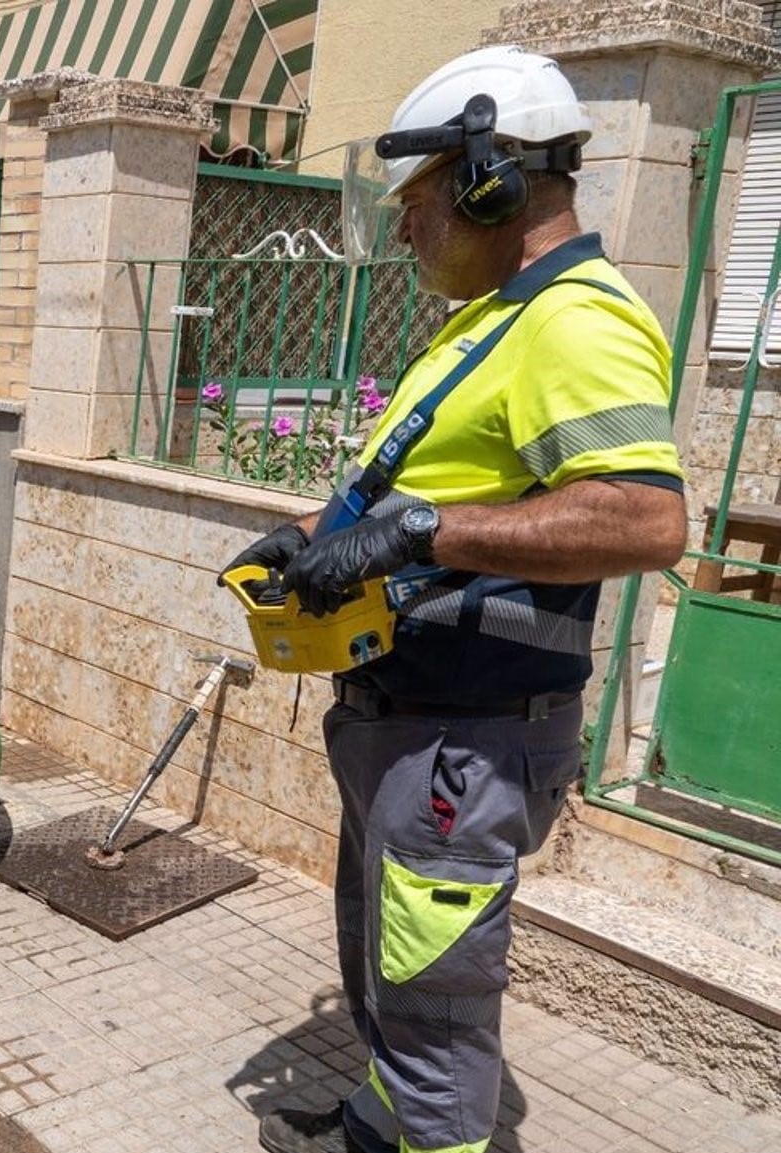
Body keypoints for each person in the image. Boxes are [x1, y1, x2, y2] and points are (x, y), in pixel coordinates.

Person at [228, 47, 689, 1153]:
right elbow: (431, 488)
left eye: (420, 203)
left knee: (435, 1006)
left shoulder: (577, 319)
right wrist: (315, 537)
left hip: (464, 740)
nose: (403, 232)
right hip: (408, 720)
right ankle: (376, 1127)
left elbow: (645, 518)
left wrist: (426, 531)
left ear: (494, 179)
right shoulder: (492, 317)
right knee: (393, 974)